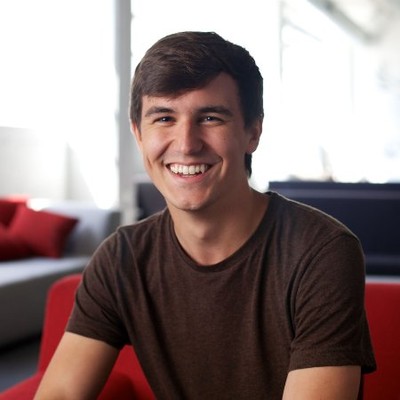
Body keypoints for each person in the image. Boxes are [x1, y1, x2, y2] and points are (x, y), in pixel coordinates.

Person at [35, 31, 376, 399]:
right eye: (164, 118)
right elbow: (60, 394)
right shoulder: (122, 258)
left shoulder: (321, 252)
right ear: (138, 134)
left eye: (211, 118)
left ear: (253, 132)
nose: (186, 144)